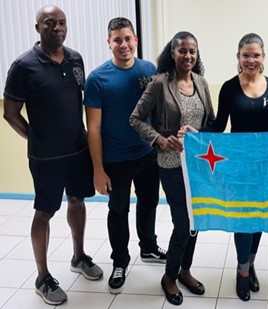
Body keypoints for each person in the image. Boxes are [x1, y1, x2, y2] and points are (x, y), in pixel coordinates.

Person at [2, 5, 103, 305]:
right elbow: (10, 114)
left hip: (77, 149)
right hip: (45, 157)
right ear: (38, 28)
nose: (57, 27)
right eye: (50, 23)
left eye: (62, 22)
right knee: (44, 212)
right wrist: (36, 137)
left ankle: (79, 256)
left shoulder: (76, 59)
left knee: (77, 200)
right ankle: (42, 277)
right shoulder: (23, 65)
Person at [129, 31, 215, 306]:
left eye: (193, 51)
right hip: (170, 164)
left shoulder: (201, 83)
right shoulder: (159, 83)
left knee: (196, 222)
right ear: (172, 53)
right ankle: (169, 277)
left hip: (198, 164)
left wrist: (199, 132)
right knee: (182, 224)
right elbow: (136, 119)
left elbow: (210, 121)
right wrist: (159, 139)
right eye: (182, 51)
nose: (188, 56)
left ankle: (185, 270)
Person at [83, 17, 166, 294]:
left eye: (128, 39)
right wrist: (98, 169)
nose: (123, 44)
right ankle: (120, 261)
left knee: (149, 202)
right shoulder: (97, 79)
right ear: (109, 43)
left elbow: (157, 111)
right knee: (118, 210)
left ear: (136, 40)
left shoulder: (149, 69)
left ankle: (149, 248)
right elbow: (92, 129)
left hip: (147, 153)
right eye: (117, 40)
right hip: (115, 159)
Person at [207, 33, 268, 301]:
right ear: (238, 57)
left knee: (259, 217)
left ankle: (250, 262)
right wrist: (195, 134)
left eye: (256, 55)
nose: (251, 60)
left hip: (266, 167)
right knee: (243, 218)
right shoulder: (229, 87)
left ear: (263, 57)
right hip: (239, 166)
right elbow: (218, 126)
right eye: (246, 55)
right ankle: (242, 272)